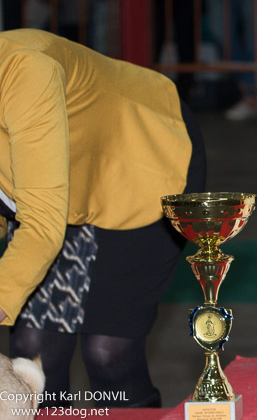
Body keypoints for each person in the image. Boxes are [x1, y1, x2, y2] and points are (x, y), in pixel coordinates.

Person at [0, 29, 206, 408]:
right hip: (58, 188)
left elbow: (43, 226)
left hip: (143, 160)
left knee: (108, 352)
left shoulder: (23, 71)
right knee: (34, 354)